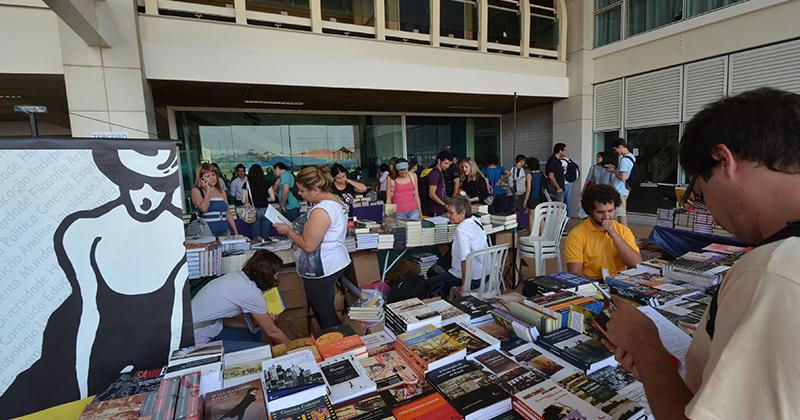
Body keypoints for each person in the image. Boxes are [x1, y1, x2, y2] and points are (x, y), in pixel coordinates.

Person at [604, 88, 800, 420]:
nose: (705, 208)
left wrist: (643, 343)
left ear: (724, 161)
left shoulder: (772, 271)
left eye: (698, 193)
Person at [274, 167, 350, 329]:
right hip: (335, 261)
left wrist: (288, 231)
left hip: (322, 266)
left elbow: (309, 246)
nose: (299, 194)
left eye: (301, 190)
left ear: (315, 190)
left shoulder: (320, 211)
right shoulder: (334, 200)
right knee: (325, 308)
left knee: (325, 313)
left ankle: (339, 344)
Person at [192, 250, 290, 352]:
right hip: (197, 342)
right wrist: (295, 348)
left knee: (255, 331)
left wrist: (264, 320)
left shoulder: (237, 277)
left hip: (197, 329)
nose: (279, 278)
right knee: (264, 351)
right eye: (278, 275)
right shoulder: (252, 293)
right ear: (268, 275)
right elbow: (272, 332)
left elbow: (223, 319)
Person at [564, 184, 641, 280]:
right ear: (590, 211)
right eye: (600, 212)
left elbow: (636, 264)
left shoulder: (623, 230)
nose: (606, 216)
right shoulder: (577, 234)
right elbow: (575, 273)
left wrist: (613, 234)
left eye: (610, 211)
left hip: (619, 280)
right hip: (590, 283)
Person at [425, 196, 489, 298]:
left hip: (472, 278)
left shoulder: (461, 230)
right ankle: (446, 295)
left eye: (451, 213)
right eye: (447, 212)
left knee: (428, 283)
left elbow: (465, 260)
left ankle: (445, 301)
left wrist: (464, 286)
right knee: (436, 271)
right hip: (485, 274)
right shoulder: (475, 221)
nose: (448, 216)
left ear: (462, 213)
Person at [191, 162, 239, 236]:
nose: (212, 178)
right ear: (201, 179)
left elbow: (228, 213)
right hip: (207, 232)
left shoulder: (222, 192)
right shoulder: (196, 191)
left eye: (213, 175)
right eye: (207, 176)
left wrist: (235, 232)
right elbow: (204, 209)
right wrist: (207, 191)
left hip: (224, 231)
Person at [607, 138, 636, 226]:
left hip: (620, 191)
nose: (615, 152)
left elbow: (623, 178)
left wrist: (614, 171)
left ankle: (624, 234)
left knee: (621, 214)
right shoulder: (632, 157)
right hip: (624, 190)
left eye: (615, 150)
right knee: (620, 213)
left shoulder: (624, 160)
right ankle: (622, 233)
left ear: (620, 147)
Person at [243, 164, 275, 241]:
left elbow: (243, 200)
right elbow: (273, 198)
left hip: (254, 210)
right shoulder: (266, 182)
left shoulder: (247, 184)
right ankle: (266, 249)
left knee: (257, 237)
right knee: (266, 236)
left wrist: (252, 200)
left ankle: (258, 249)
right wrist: (264, 199)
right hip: (265, 210)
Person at [426, 150, 453, 216]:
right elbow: (432, 194)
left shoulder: (440, 172)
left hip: (440, 209)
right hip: (435, 210)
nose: (447, 166)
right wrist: (445, 205)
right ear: (439, 161)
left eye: (449, 164)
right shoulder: (435, 173)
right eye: (446, 163)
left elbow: (441, 193)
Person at [522, 157, 545, 230]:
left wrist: (525, 200)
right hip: (541, 197)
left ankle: (532, 235)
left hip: (533, 197)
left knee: (531, 216)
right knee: (540, 216)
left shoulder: (529, 175)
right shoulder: (541, 174)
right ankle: (543, 233)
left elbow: (528, 189)